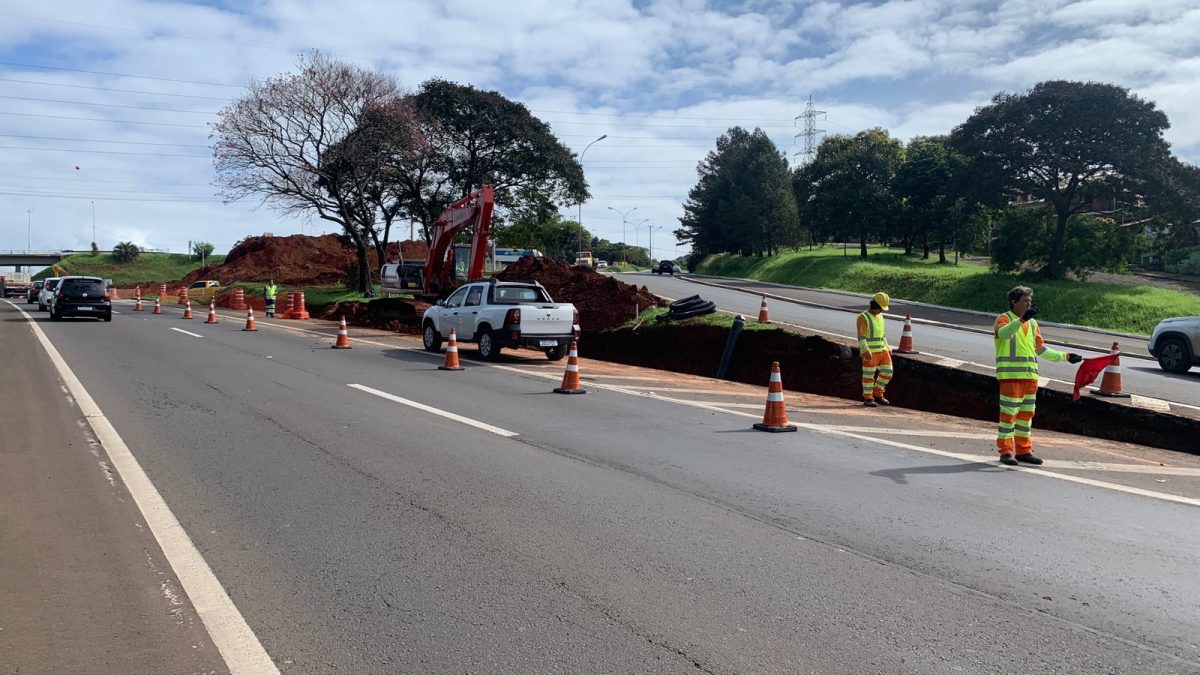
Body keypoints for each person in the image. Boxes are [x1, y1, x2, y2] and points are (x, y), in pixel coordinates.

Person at [993, 286, 1083, 466]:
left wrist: (1065, 356)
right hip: (1011, 377)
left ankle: (1023, 451)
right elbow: (1003, 334)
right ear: (1014, 302)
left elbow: (1040, 349)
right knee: (1008, 416)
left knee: (1026, 416)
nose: (1029, 304)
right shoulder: (1003, 319)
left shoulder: (1033, 324)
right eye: (1025, 301)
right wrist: (1022, 319)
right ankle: (1006, 451)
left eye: (1030, 301)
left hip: (1030, 378)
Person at [857, 292, 894, 407]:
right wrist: (865, 350)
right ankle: (868, 398)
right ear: (875, 305)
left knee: (888, 372)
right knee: (868, 376)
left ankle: (878, 394)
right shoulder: (863, 317)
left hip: (882, 350)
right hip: (870, 353)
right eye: (881, 308)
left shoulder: (881, 317)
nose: (881, 311)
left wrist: (887, 347)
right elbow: (861, 337)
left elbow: (882, 335)